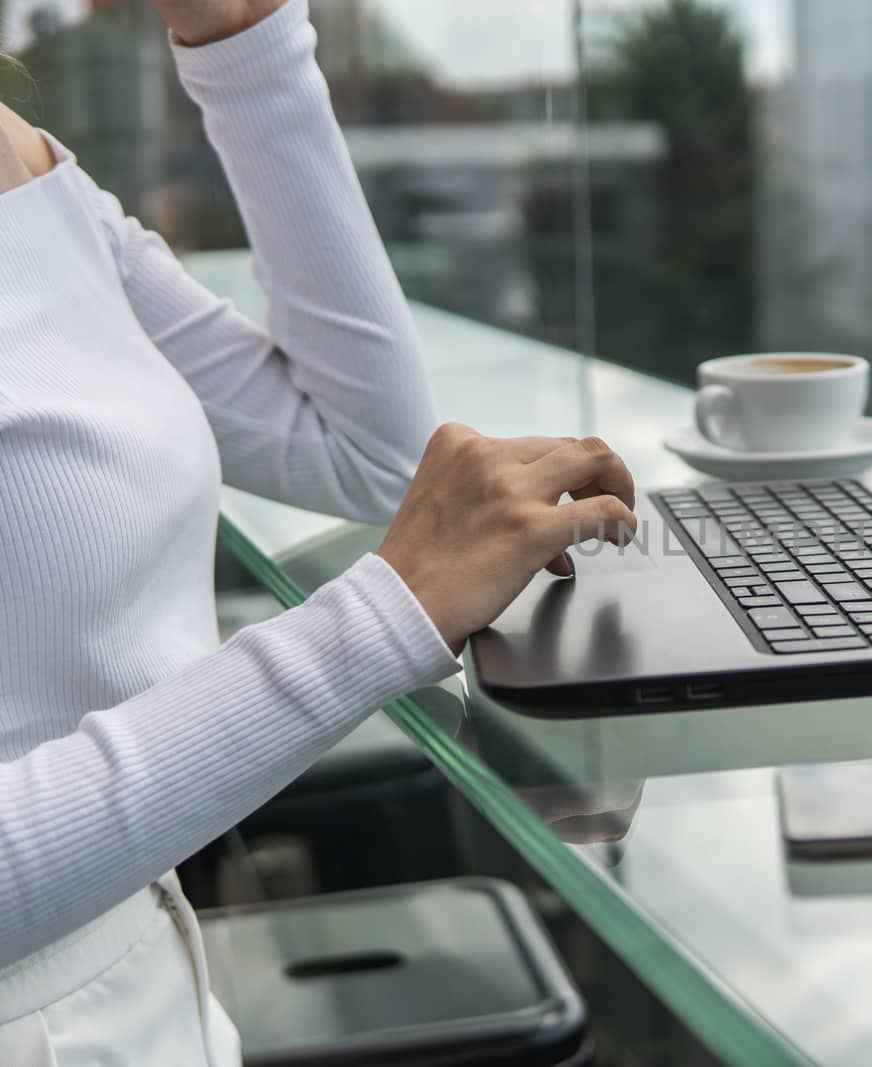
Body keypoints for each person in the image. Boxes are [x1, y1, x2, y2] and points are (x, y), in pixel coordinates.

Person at [0, 0, 638, 1061]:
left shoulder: (22, 161)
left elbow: (359, 444)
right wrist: (382, 616)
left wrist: (245, 45)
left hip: (156, 990)